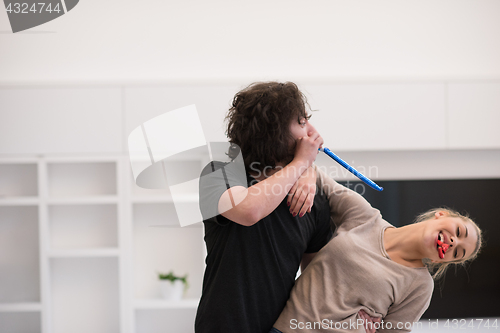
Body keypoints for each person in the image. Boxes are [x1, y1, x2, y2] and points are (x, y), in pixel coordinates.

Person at [270, 168, 483, 333]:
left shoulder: (420, 286)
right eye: (459, 231)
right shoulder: (364, 216)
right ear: (441, 215)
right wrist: (308, 176)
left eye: (457, 253)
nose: (454, 242)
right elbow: (314, 172)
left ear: (440, 261)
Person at [195, 82, 334, 333]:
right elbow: (249, 210)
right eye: (302, 122)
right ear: (276, 131)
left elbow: (315, 281)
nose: (313, 133)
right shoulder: (220, 173)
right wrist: (303, 163)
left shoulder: (314, 197)